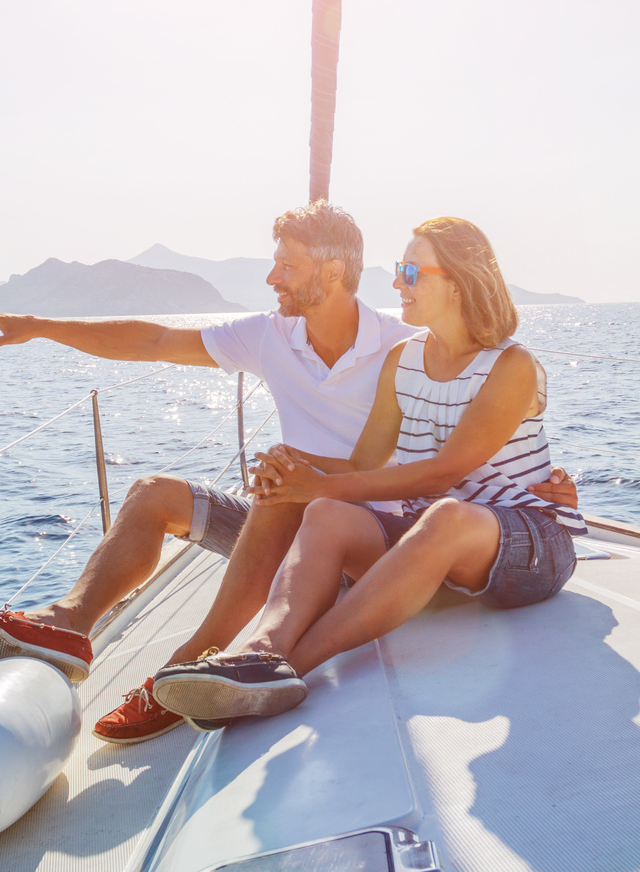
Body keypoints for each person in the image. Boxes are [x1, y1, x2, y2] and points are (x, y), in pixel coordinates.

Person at [0, 203, 405, 743]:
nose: (272, 277)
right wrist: (43, 328)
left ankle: (188, 663)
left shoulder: (403, 345)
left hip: (362, 546)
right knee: (153, 494)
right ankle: (68, 625)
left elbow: (459, 448)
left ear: (332, 271)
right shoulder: (272, 335)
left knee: (283, 489)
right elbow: (154, 341)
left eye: (287, 265)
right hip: (283, 524)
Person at [150, 216, 583, 724]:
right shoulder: (403, 358)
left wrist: (320, 482)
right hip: (435, 543)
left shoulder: (512, 366)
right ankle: (263, 646)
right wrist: (295, 469)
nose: (397, 282)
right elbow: (361, 465)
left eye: (410, 271)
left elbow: (439, 475)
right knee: (328, 512)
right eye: (400, 270)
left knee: (444, 514)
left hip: (528, 545)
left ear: (460, 280)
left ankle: (285, 668)